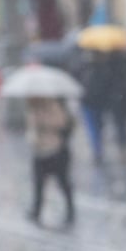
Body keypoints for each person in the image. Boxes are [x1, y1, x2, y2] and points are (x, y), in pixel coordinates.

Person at [24, 96, 76, 228]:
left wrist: (45, 124)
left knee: (63, 182)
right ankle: (36, 210)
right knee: (38, 183)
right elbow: (31, 131)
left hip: (56, 151)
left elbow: (62, 123)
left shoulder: (53, 106)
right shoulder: (32, 110)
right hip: (39, 152)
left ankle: (70, 210)